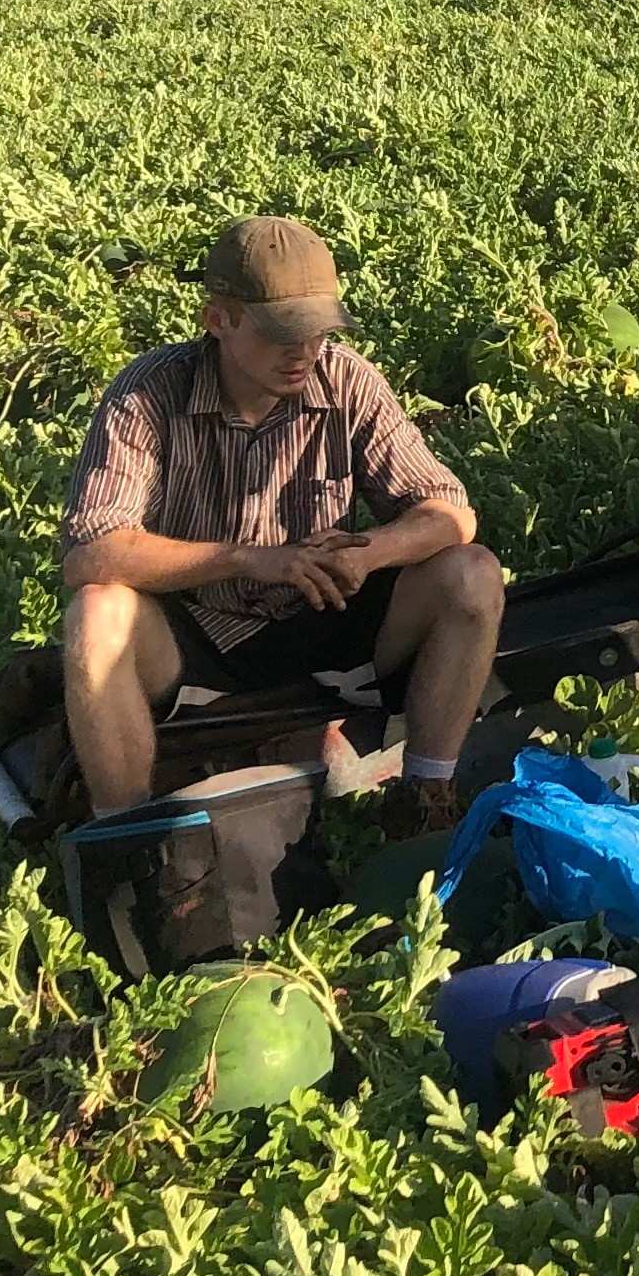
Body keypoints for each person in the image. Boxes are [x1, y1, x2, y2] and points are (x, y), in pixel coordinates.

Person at [61, 216, 504, 839]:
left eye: (319, 333)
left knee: (473, 572)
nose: (305, 352)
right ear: (219, 320)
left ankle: (426, 794)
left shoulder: (346, 380)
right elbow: (90, 552)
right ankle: (129, 843)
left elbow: (450, 510)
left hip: (329, 620)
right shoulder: (150, 394)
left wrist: (370, 552)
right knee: (96, 611)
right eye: (282, 335)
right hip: (198, 637)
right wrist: (247, 559)